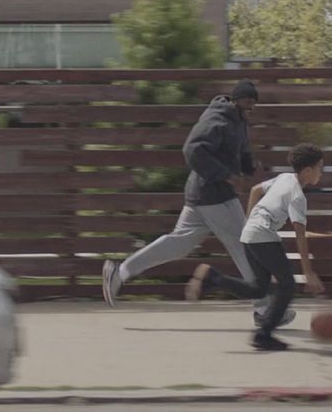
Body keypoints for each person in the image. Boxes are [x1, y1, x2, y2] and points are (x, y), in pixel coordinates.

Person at [101, 80, 291, 327]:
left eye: (254, 103)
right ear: (235, 100)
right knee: (244, 244)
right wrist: (226, 175)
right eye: (246, 101)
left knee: (179, 243)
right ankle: (264, 308)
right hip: (213, 193)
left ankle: (120, 272)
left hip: (205, 195)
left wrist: (249, 164)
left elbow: (239, 151)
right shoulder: (218, 119)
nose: (250, 107)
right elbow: (193, 150)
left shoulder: (239, 121)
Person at [185, 143, 327, 351]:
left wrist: (251, 221)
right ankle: (263, 334)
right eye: (319, 168)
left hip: (249, 234)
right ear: (307, 171)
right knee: (287, 286)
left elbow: (255, 190)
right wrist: (308, 273)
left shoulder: (284, 178)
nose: (321, 174)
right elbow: (300, 237)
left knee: (259, 288)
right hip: (263, 237)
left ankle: (214, 279)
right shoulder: (297, 196)